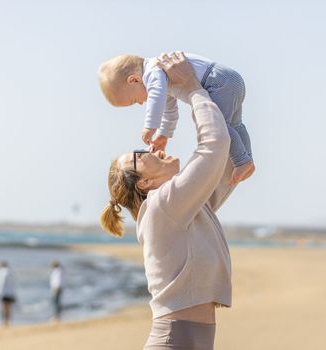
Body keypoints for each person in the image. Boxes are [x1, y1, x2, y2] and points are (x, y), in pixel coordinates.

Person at [100, 51, 236, 350]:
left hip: (190, 338)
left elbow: (223, 166)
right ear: (145, 183)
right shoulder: (161, 206)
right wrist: (191, 88)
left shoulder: (182, 207)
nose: (151, 149)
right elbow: (214, 147)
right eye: (140, 155)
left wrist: (226, 97)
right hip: (175, 340)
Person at [98, 52, 255, 185]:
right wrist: (164, 134)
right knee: (235, 125)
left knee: (221, 127)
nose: (140, 103)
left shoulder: (153, 71)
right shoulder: (161, 76)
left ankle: (242, 161)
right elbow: (169, 110)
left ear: (134, 80)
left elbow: (157, 97)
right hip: (230, 80)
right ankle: (247, 160)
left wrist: (150, 126)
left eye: (134, 100)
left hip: (217, 83)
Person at [0, 261, 16, 326]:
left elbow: (0, 283)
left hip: (4, 292)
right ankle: (8, 321)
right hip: (10, 293)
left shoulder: (2, 272)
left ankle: (4, 321)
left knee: (4, 308)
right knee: (9, 308)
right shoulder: (11, 272)